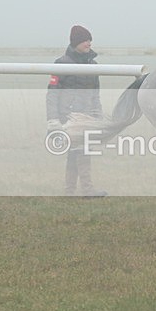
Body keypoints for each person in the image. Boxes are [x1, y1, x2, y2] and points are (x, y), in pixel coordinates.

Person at [46, 25, 107, 198]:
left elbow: (96, 94)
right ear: (75, 42)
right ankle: (87, 190)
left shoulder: (93, 65)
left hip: (87, 116)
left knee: (75, 154)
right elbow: (52, 93)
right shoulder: (61, 64)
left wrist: (98, 116)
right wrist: (53, 120)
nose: (89, 43)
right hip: (70, 117)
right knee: (82, 151)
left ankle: (70, 192)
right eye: (85, 40)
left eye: (90, 40)